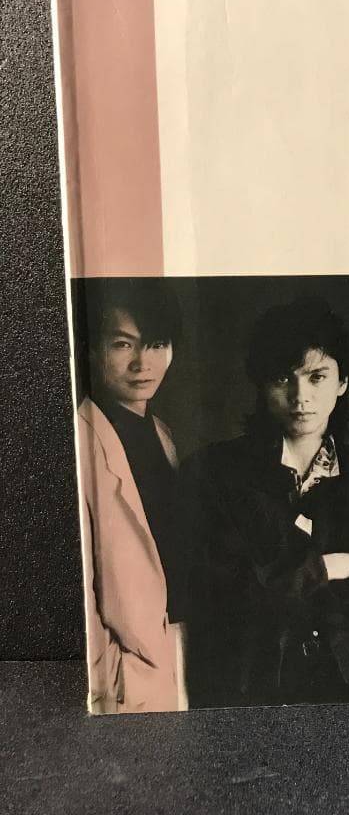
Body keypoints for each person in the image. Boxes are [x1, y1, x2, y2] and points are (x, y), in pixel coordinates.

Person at [185, 297, 349, 707]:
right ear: (260, 384)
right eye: (283, 378)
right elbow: (219, 591)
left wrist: (283, 581)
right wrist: (328, 567)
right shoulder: (216, 472)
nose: (301, 396)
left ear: (342, 382)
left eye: (317, 377)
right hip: (248, 685)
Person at [73, 278, 187, 714]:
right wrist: (111, 675)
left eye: (156, 344)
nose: (143, 363)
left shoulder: (162, 434)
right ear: (92, 349)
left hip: (174, 657)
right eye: (123, 344)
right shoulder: (81, 439)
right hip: (124, 678)